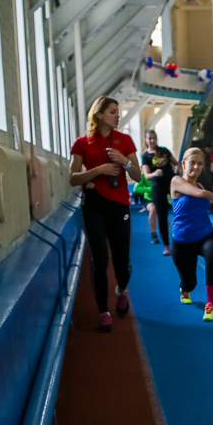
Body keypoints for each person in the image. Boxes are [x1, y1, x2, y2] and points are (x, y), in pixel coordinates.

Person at [69, 95, 141, 333]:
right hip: (93, 205)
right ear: (99, 114)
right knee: (99, 260)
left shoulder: (125, 140)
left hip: (119, 204)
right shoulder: (82, 143)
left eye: (118, 112)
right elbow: (72, 178)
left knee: (121, 263)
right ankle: (103, 312)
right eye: (112, 111)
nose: (117, 115)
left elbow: (138, 176)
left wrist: (124, 162)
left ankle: (121, 290)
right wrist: (98, 170)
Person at [169, 148, 213, 322]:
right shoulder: (176, 181)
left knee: (212, 254)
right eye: (192, 162)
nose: (196, 167)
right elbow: (202, 195)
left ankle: (210, 304)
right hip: (182, 241)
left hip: (206, 235)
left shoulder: (201, 185)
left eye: (200, 163)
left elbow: (211, 207)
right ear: (183, 163)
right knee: (190, 283)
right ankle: (184, 288)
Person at [141, 129, 178, 255]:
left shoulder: (165, 151)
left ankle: (187, 240)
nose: (152, 141)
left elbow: (176, 162)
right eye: (149, 138)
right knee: (162, 215)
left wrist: (180, 173)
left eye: (154, 138)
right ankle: (167, 246)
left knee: (182, 208)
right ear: (146, 140)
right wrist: (154, 174)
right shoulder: (146, 156)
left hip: (171, 183)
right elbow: (146, 175)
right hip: (157, 186)